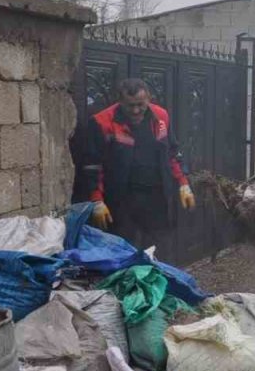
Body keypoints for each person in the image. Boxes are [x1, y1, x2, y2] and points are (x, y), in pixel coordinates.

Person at [80, 78, 195, 250]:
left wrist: (183, 184)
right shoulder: (102, 122)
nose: (135, 111)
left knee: (160, 247)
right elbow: (92, 165)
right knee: (124, 250)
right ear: (120, 101)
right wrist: (97, 200)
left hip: (156, 196)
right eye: (130, 106)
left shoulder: (161, 117)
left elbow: (172, 152)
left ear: (149, 99)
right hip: (120, 200)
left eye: (140, 105)